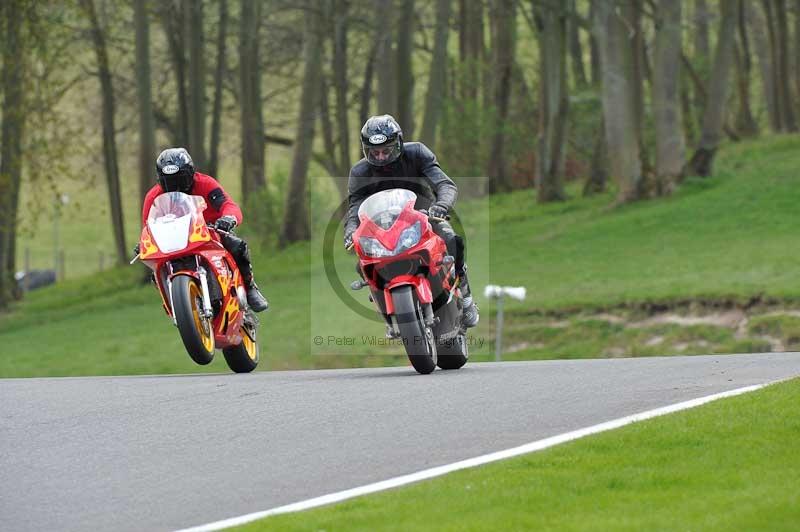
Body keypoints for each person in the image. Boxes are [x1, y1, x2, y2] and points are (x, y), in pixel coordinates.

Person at [343, 115, 479, 327]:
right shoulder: (359, 172)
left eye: (386, 150)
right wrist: (351, 231)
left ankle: (466, 295)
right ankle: (385, 308)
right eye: (373, 152)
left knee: (453, 239)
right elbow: (354, 206)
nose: (380, 157)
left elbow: (444, 184)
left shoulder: (417, 153)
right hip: (383, 227)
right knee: (362, 265)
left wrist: (441, 205)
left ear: (398, 143)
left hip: (424, 216)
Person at [139, 147, 268, 312]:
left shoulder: (206, 183)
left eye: (180, 179)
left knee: (237, 246)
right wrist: (144, 241)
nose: (175, 185)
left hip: (211, 232)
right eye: (169, 181)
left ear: (191, 173)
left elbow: (227, 205)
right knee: (157, 271)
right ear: (160, 179)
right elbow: (148, 225)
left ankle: (250, 288)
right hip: (175, 241)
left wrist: (228, 218)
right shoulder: (153, 196)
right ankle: (176, 307)